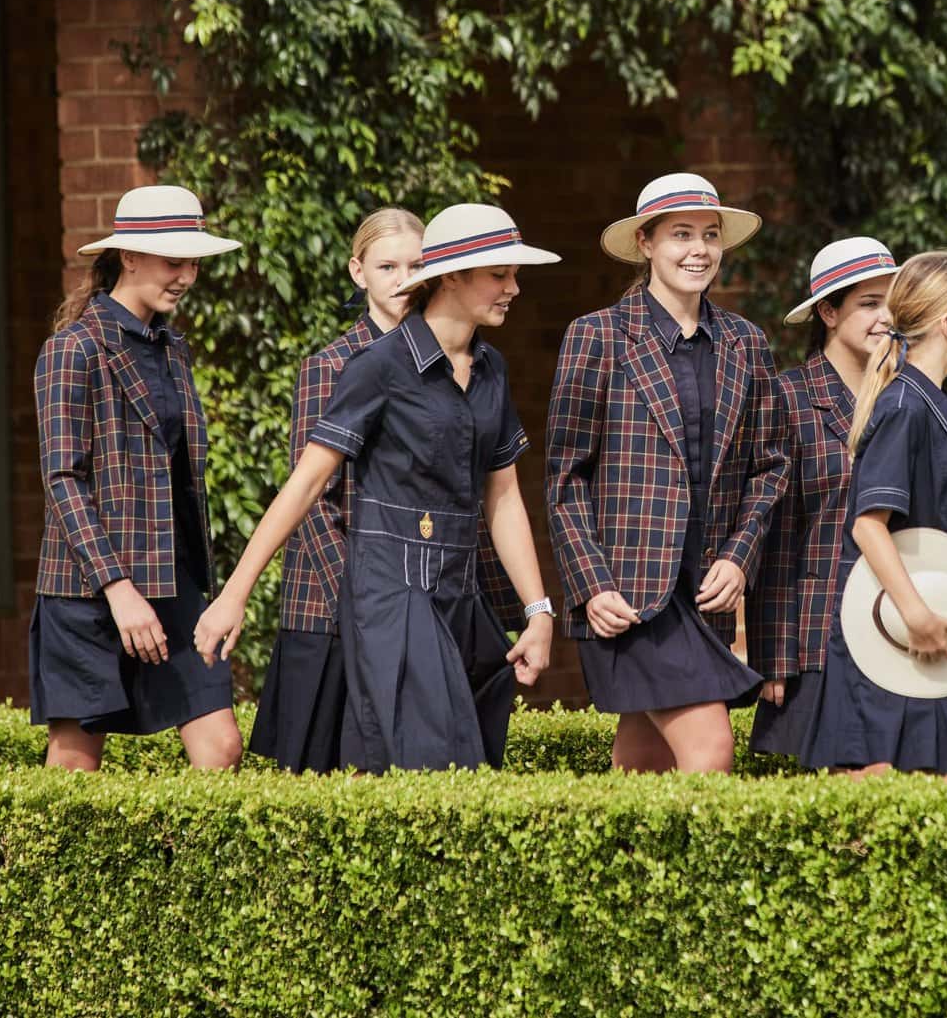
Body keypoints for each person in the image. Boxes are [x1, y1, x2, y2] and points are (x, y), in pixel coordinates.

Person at [197, 204, 560, 771]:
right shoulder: (378, 365)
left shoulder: (493, 369)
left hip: (462, 598)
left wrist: (539, 612)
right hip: (391, 595)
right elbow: (307, 483)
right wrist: (234, 595)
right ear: (452, 276)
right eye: (500, 273)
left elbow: (503, 495)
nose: (514, 287)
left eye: (514, 274)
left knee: (471, 765)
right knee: (437, 766)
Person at [546, 173, 787, 773]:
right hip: (626, 592)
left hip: (705, 585)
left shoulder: (746, 343)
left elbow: (771, 465)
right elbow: (565, 477)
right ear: (646, 243)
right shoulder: (597, 337)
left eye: (710, 235)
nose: (699, 249)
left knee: (646, 761)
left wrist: (739, 555)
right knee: (711, 749)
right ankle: (710, 869)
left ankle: (617, 867)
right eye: (682, 234)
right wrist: (591, 583)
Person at [29, 185, 245, 771]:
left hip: (172, 579)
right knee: (75, 766)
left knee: (221, 748)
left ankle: (199, 866)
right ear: (129, 257)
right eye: (175, 261)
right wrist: (118, 589)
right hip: (87, 592)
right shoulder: (71, 348)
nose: (187, 276)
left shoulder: (174, 350)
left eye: (194, 262)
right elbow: (62, 478)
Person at [799, 250, 947, 776]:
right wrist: (916, 615)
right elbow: (868, 525)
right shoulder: (906, 407)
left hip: (918, 645)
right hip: (893, 647)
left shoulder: (926, 403)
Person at [247, 207, 423, 773]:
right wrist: (362, 595)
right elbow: (313, 499)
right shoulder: (330, 366)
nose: (402, 280)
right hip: (331, 606)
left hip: (418, 601)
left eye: (415, 265)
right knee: (319, 781)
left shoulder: (447, 364)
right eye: (386, 266)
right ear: (358, 272)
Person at [747, 237, 899, 757]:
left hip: (896, 618)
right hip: (820, 628)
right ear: (828, 312)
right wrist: (774, 655)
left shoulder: (906, 396)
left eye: (892, 303)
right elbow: (775, 537)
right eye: (869, 303)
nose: (886, 317)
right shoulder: (788, 398)